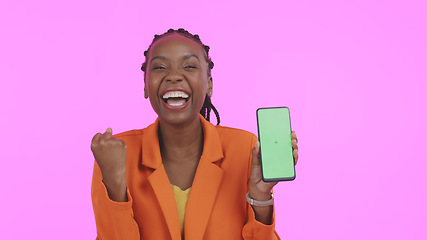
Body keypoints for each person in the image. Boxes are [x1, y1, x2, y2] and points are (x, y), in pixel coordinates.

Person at [90, 28, 299, 240]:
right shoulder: (116, 154)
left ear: (209, 84)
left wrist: (261, 197)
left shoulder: (245, 148)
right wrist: (115, 186)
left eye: (189, 66)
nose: (173, 76)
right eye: (160, 67)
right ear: (145, 85)